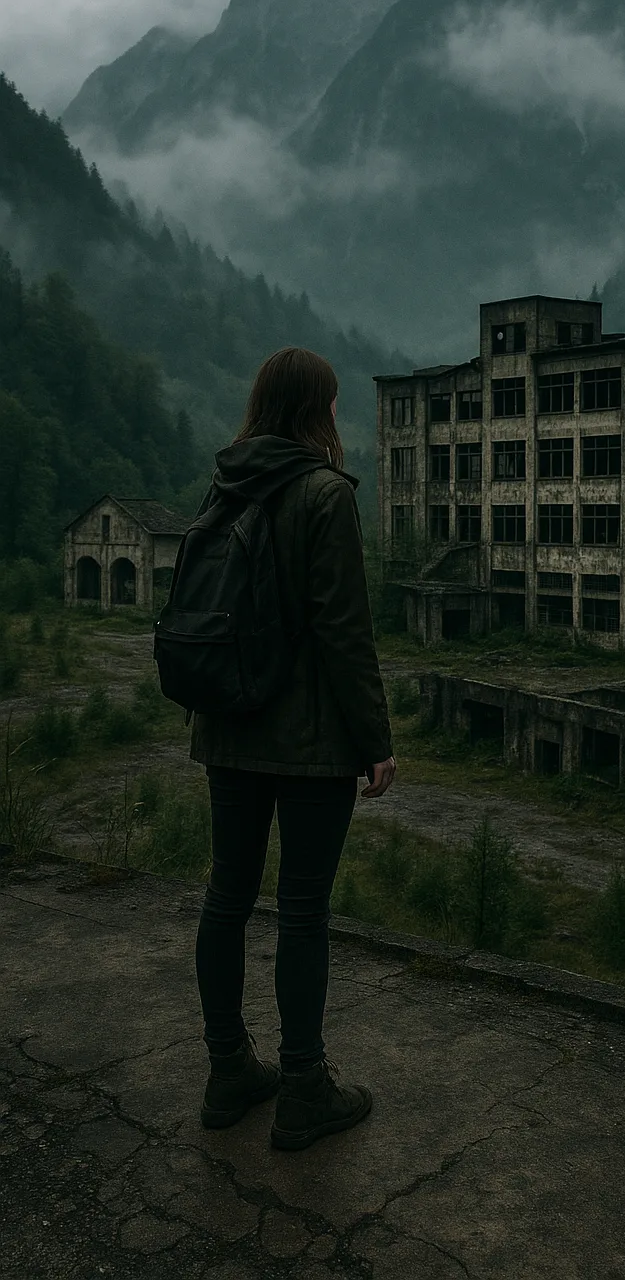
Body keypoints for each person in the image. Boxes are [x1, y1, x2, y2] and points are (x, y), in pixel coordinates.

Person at [191, 346, 395, 1150]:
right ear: (317, 409)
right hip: (309, 745)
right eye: (335, 404)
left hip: (227, 728)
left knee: (226, 898)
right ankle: (304, 1087)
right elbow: (346, 631)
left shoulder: (223, 484)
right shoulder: (322, 494)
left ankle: (227, 1071)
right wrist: (375, 741)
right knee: (302, 910)